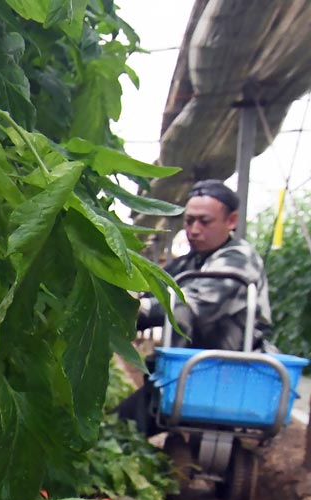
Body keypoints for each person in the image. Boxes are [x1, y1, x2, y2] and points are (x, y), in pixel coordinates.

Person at [116, 179, 273, 433]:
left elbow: (193, 304)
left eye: (204, 221)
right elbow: (151, 285)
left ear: (231, 221)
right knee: (121, 423)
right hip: (190, 370)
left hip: (228, 373)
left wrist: (137, 309)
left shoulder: (238, 260)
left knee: (125, 427)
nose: (194, 230)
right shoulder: (189, 263)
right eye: (189, 221)